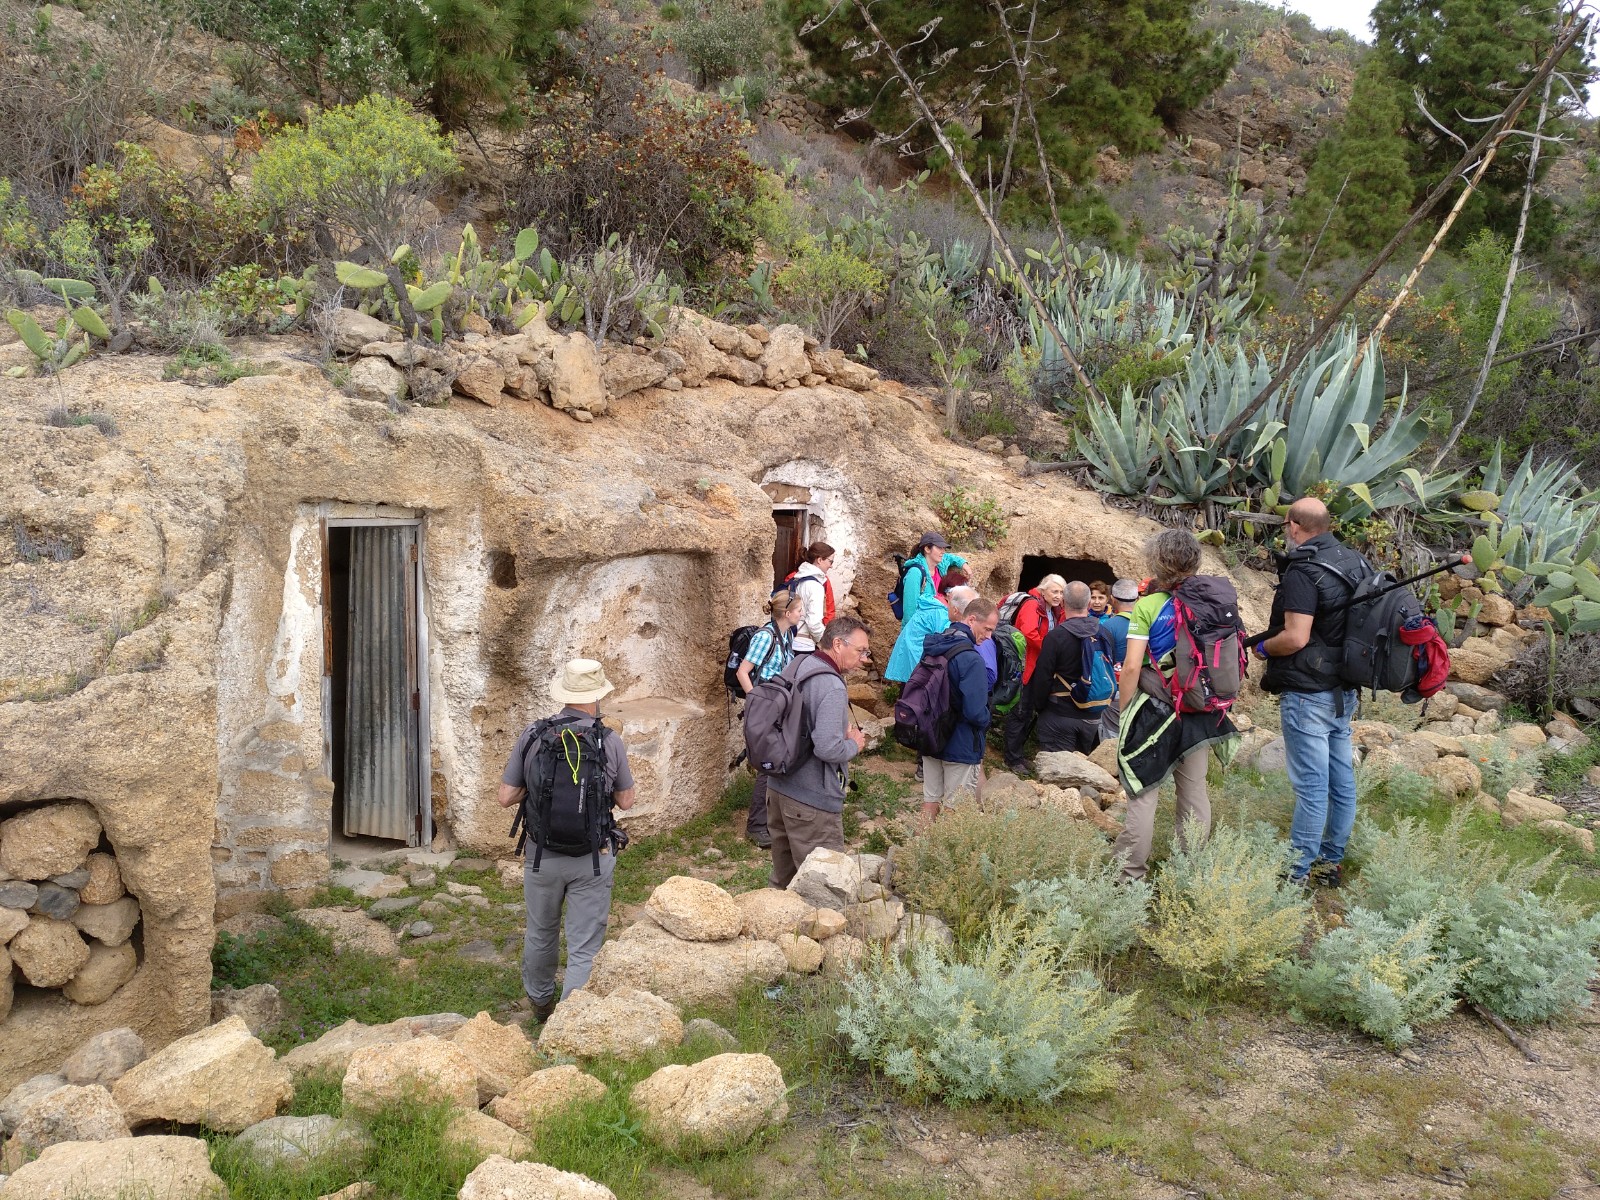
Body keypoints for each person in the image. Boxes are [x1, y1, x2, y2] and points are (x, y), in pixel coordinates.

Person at [498, 659, 636, 1021]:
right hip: (592, 856)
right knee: (584, 945)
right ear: (597, 697)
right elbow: (626, 800)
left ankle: (541, 1003)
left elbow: (505, 796)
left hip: (541, 855)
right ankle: (570, 1020)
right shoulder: (610, 741)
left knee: (541, 932)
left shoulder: (532, 734)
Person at [1255, 497, 1371, 887]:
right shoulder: (1355, 560)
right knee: (1341, 782)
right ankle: (1329, 863)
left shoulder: (1303, 571)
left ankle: (1296, 873)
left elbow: (1295, 637)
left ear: (1294, 526)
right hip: (1344, 689)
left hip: (1309, 694)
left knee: (1312, 789)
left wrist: (1260, 648)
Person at [1112, 532, 1237, 882]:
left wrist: (1124, 713)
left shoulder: (1149, 606)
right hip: (1201, 710)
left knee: (1143, 791)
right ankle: (1190, 869)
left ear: (1157, 562)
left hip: (1156, 711)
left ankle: (1129, 874)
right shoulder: (1213, 601)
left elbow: (1133, 667)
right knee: (1194, 791)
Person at [766, 616, 872, 888]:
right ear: (838, 644)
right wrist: (855, 744)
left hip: (779, 788)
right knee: (824, 887)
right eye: (860, 650)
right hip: (810, 801)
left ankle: (776, 927)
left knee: (784, 880)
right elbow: (827, 748)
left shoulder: (800, 664)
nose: (864, 658)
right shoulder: (832, 685)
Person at [918, 597, 999, 826]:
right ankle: (946, 859)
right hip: (961, 743)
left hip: (932, 736)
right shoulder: (971, 658)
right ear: (972, 619)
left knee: (930, 801)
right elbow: (975, 711)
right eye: (987, 629)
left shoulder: (934, 646)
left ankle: (917, 854)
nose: (988, 636)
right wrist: (987, 720)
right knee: (955, 807)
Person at [736, 589, 803, 849]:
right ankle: (756, 826)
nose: (801, 614)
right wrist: (757, 702)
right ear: (787, 613)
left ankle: (771, 821)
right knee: (767, 764)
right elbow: (744, 671)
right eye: (798, 610)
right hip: (767, 707)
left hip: (778, 706)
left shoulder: (785, 634)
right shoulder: (766, 637)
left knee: (778, 760)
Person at [1026, 581, 1113, 754]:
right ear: (1088, 604)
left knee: (1057, 773)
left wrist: (1040, 707)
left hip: (1059, 714)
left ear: (1064, 603)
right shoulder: (1104, 633)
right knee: (1083, 772)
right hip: (1093, 716)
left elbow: (1043, 677)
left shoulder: (1056, 636)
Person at [1002, 574, 1067, 777]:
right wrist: (1050, 651)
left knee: (1028, 711)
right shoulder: (1032, 606)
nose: (1058, 596)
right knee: (1020, 711)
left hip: (1037, 666)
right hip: (1025, 666)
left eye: (1061, 592)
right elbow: (1028, 633)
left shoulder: (1052, 610)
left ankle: (1017, 754)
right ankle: (1012, 757)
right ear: (1043, 590)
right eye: (1054, 591)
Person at [1098, 579, 1139, 743]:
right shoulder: (1148, 623)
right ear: (1137, 599)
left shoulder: (1108, 626)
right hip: (1143, 688)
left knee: (1112, 738)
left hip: (1116, 688)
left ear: (1112, 599)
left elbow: (1101, 661)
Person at [789, 541, 836, 654]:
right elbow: (813, 622)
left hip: (790, 638)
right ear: (819, 560)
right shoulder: (815, 586)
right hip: (804, 644)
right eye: (830, 561)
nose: (831, 565)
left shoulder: (797, 579)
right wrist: (825, 643)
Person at [896, 532, 948, 619]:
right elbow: (910, 611)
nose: (943, 551)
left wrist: (963, 564)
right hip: (921, 629)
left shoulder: (939, 569)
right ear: (927, 549)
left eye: (944, 548)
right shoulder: (915, 573)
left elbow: (950, 557)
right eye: (939, 547)